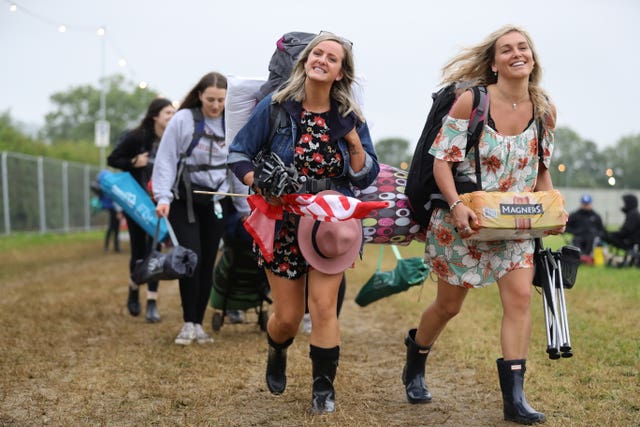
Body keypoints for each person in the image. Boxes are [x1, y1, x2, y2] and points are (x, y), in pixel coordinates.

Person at [402, 25, 563, 425]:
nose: (516, 53)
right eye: (506, 49)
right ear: (493, 63)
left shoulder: (545, 111)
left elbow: (540, 173)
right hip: (466, 223)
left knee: (521, 299)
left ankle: (515, 399)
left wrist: (553, 208)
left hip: (516, 225)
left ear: (532, 57)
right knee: (447, 307)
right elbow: (442, 161)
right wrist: (455, 206)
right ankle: (416, 357)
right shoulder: (470, 102)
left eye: (522, 47)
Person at [228, 32, 379, 414]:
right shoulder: (276, 107)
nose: (323, 60)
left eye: (332, 57)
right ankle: (277, 348)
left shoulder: (350, 117)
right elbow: (238, 154)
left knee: (324, 307)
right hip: (283, 221)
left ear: (340, 72)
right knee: (289, 317)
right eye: (318, 53)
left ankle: (323, 390)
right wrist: (257, 180)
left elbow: (365, 176)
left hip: (330, 224)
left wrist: (354, 142)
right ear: (306, 61)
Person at [152, 72, 250, 345]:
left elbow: (237, 168)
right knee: (190, 259)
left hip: (216, 203)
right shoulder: (183, 120)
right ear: (199, 96)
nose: (216, 105)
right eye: (210, 100)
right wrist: (163, 197)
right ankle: (188, 322)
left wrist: (244, 208)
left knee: (208, 262)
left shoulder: (232, 124)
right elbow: (166, 160)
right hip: (185, 201)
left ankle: (199, 324)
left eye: (221, 100)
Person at [107, 98, 176, 322]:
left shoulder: (172, 138)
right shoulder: (136, 137)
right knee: (138, 251)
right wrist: (134, 161)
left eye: (174, 113)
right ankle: (134, 288)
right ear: (155, 115)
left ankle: (152, 303)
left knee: (155, 252)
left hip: (160, 202)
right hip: (136, 201)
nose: (172, 116)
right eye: (168, 112)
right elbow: (113, 159)